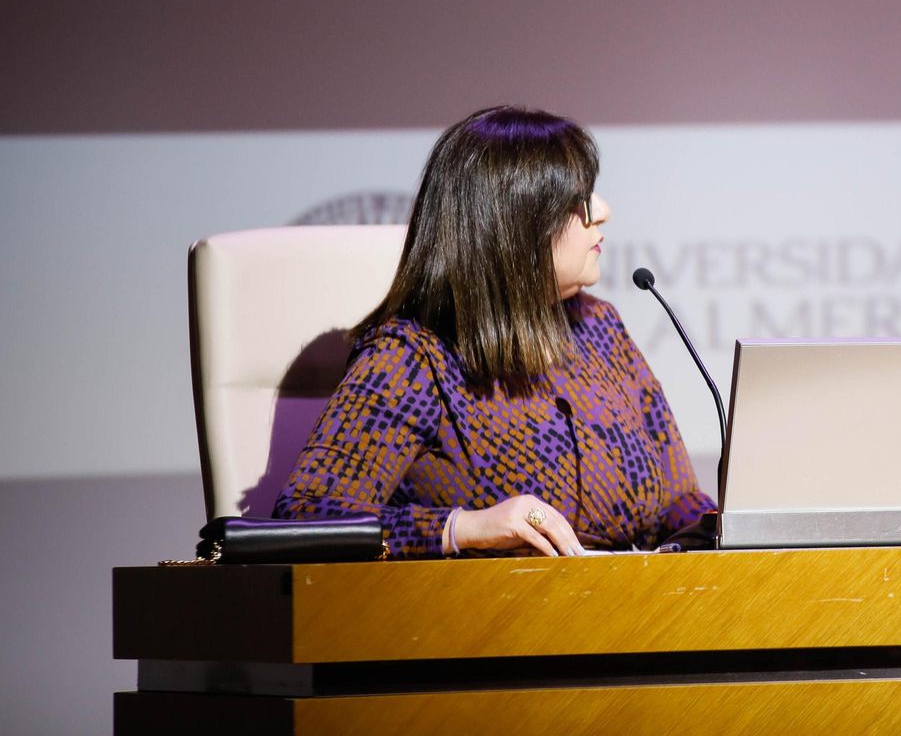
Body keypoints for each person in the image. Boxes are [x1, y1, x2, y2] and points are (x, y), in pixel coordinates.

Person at [274, 106, 714, 558]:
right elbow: (308, 517)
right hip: (486, 617)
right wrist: (462, 528)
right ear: (516, 225)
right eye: (578, 200)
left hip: (636, 610)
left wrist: (728, 526)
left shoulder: (601, 328)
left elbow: (676, 502)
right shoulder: (410, 358)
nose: (601, 211)